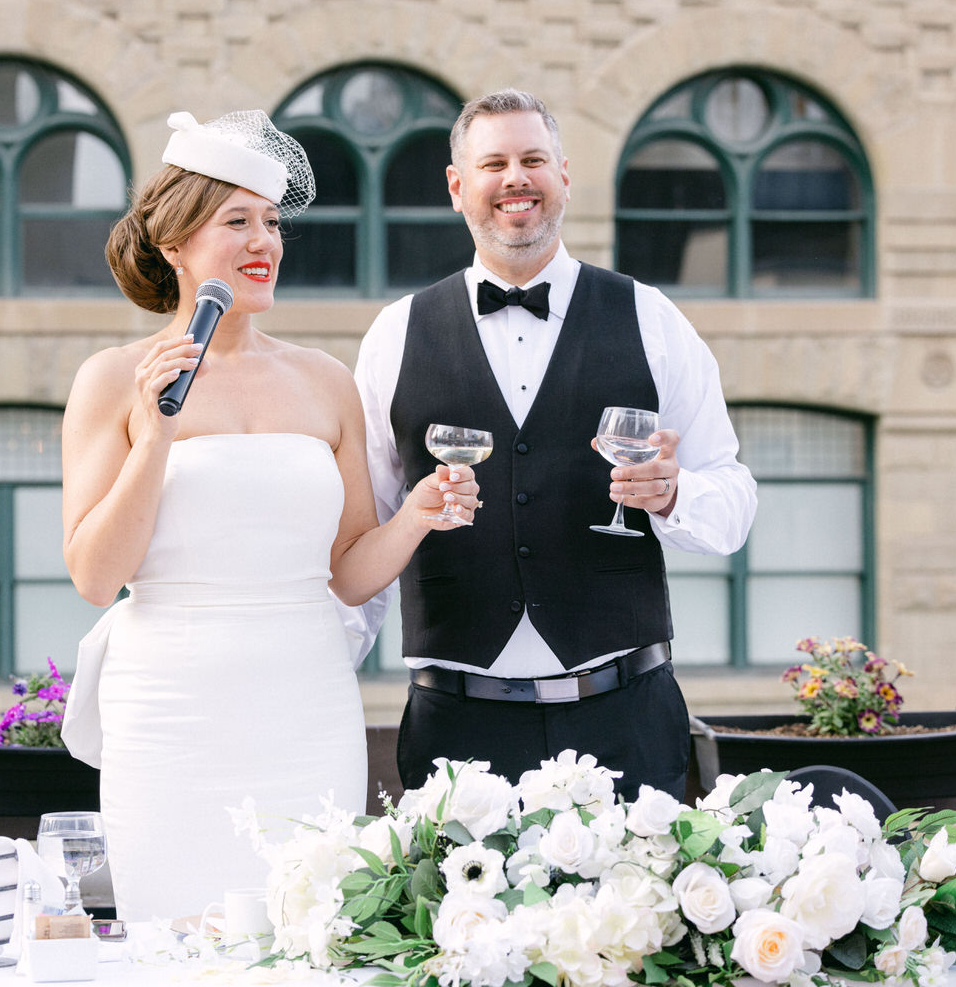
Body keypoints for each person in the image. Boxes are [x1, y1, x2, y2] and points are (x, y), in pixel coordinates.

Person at [59, 110, 480, 920]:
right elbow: (95, 574)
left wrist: (419, 513)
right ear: (176, 247)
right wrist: (155, 437)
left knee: (306, 930)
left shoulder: (325, 381)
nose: (266, 242)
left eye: (273, 222)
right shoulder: (112, 380)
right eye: (238, 222)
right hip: (170, 708)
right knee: (174, 940)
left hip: (305, 702)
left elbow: (351, 573)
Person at [354, 89, 757, 800]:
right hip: (456, 730)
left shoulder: (651, 316)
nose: (516, 178)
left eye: (533, 159)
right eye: (494, 163)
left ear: (564, 176)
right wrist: (323, 667)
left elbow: (731, 500)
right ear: (457, 186)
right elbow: (365, 534)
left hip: (625, 718)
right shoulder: (396, 334)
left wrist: (674, 493)